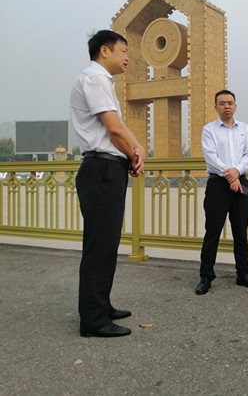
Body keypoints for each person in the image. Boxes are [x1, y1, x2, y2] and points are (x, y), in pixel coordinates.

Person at [71, 30, 145, 338]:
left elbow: (120, 126)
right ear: (105, 51)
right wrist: (133, 155)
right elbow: (113, 131)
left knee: (105, 243)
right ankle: (93, 320)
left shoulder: (102, 80)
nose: (127, 57)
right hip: (101, 169)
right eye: (123, 51)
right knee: (100, 246)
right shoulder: (95, 78)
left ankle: (101, 306)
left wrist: (137, 148)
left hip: (107, 169)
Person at [195, 90, 248, 295]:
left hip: (240, 182)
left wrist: (236, 173)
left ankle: (244, 273)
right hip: (218, 184)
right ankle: (206, 276)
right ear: (216, 107)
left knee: (240, 230)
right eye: (222, 103)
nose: (226, 106)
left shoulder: (245, 129)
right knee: (212, 231)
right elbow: (211, 156)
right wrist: (230, 176)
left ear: (235, 106)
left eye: (230, 103)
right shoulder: (209, 129)